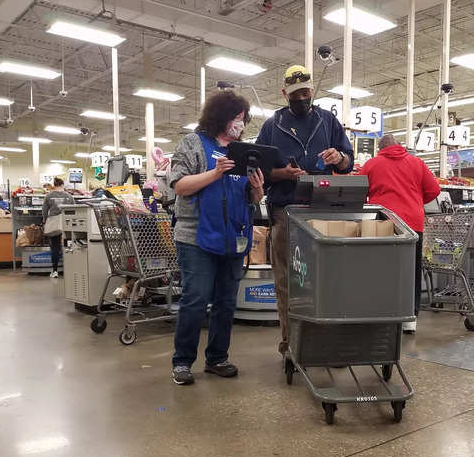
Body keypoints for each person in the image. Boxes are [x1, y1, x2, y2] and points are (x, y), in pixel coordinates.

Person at [256, 65, 354, 356]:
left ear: (313, 91)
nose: (302, 98)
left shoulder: (328, 121)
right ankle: (291, 343)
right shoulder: (272, 126)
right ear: (285, 93)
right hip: (285, 212)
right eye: (296, 94)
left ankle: (328, 342)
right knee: (288, 281)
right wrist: (280, 174)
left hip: (323, 210)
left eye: (306, 92)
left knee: (329, 277)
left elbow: (348, 162)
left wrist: (340, 157)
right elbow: (258, 170)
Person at [170, 90, 265, 386]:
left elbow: (247, 197)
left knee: (226, 301)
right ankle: (182, 362)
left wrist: (257, 191)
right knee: (195, 299)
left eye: (243, 119)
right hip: (195, 236)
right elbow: (179, 185)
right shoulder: (193, 143)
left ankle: (217, 358)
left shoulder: (244, 151)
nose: (240, 124)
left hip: (233, 236)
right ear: (220, 116)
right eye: (236, 118)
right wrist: (214, 173)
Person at [359, 134, 440, 334]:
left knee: (381, 268)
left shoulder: (372, 164)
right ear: (399, 145)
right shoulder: (417, 163)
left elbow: (358, 190)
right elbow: (434, 190)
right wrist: (416, 200)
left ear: (380, 148)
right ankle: (410, 318)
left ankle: (382, 313)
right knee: (411, 268)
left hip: (384, 221)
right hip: (413, 222)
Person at [42, 177, 75, 278]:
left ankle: (55, 271)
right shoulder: (69, 196)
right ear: (62, 185)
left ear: (54, 185)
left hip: (54, 223)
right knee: (69, 246)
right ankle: (71, 269)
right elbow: (74, 209)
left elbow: (44, 211)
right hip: (67, 223)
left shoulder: (48, 196)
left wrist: (45, 221)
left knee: (55, 247)